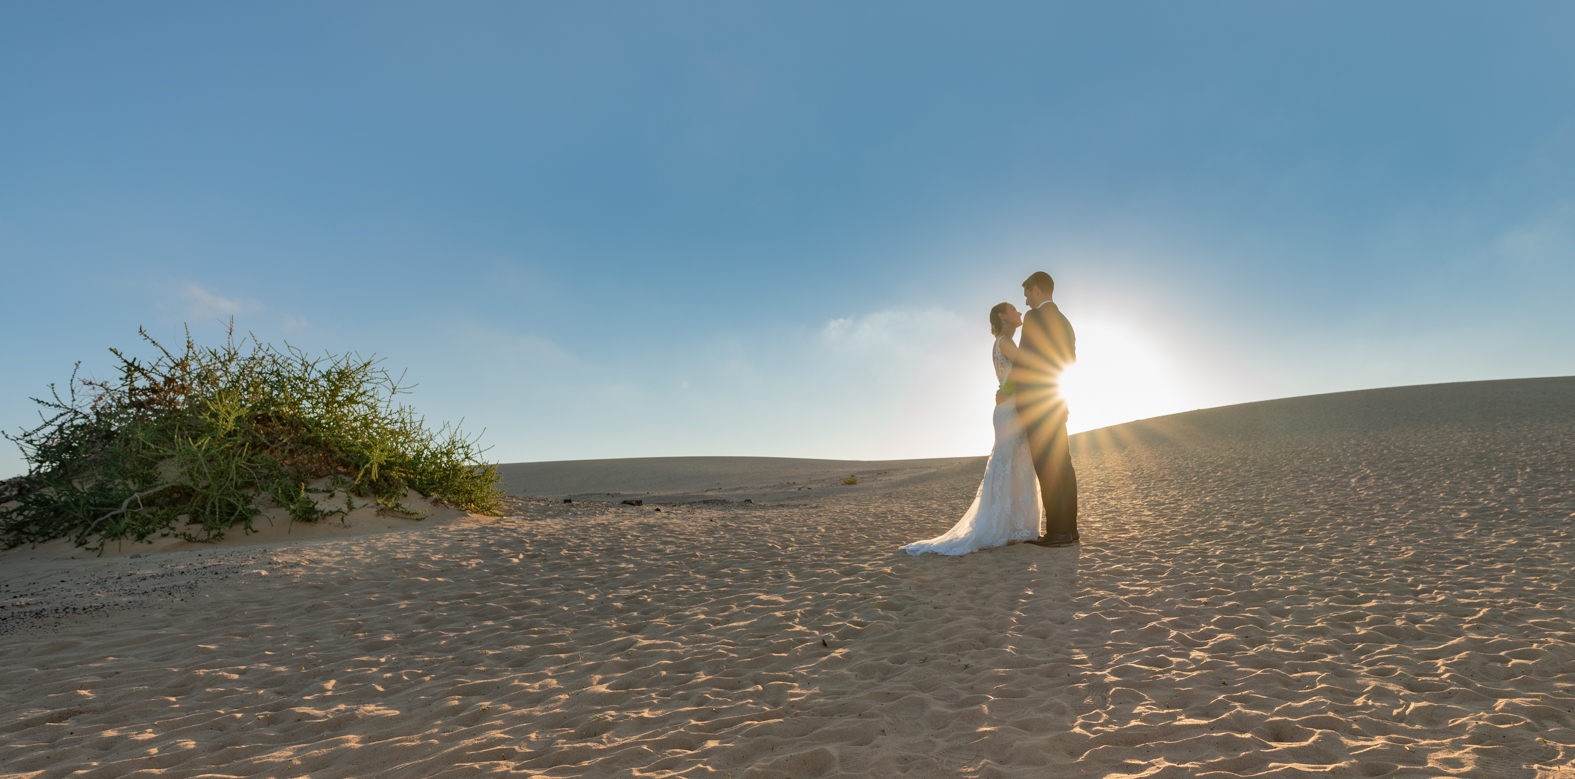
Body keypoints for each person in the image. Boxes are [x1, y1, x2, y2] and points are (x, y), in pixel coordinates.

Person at [901, 302, 1041, 555]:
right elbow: (1025, 369)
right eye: (1013, 309)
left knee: (1015, 463)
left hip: (1009, 409)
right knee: (1012, 463)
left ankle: (1014, 528)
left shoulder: (1002, 342)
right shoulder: (1005, 342)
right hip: (1010, 410)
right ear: (1002, 316)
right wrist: (1007, 389)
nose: (1019, 312)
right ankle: (1010, 529)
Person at [999, 271, 1079, 546]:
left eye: (1026, 295)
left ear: (1036, 290)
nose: (1026, 302)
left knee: (1047, 466)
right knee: (1064, 465)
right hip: (1057, 400)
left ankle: (1057, 532)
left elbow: (1024, 359)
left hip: (1037, 402)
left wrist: (1006, 390)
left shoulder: (1034, 318)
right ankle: (1071, 530)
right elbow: (1070, 360)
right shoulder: (1065, 322)